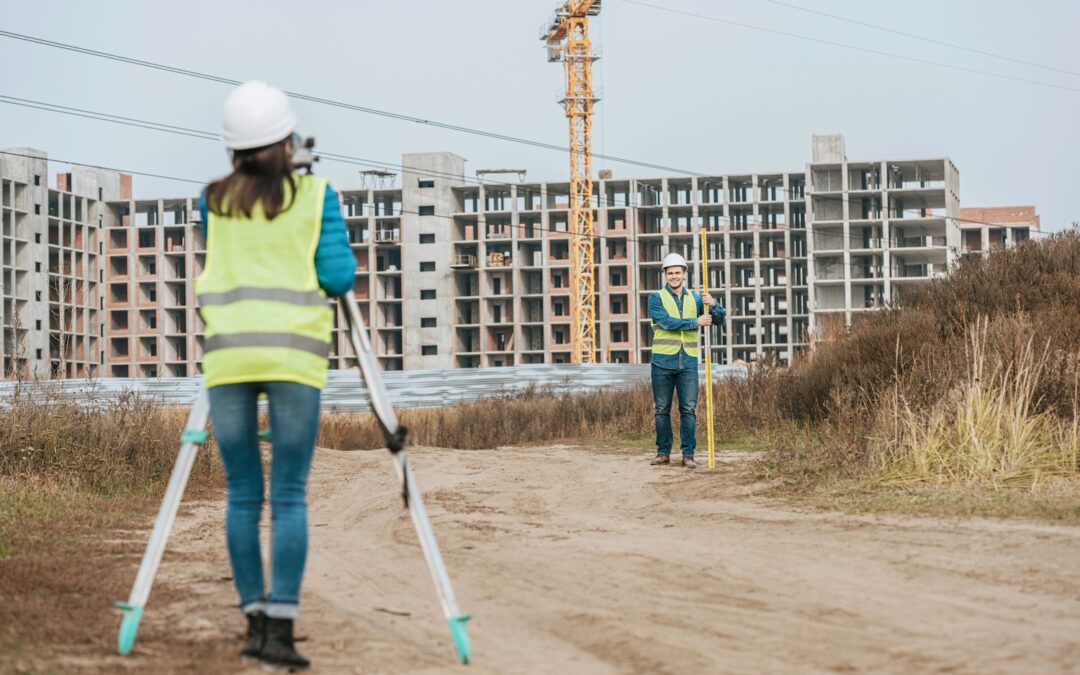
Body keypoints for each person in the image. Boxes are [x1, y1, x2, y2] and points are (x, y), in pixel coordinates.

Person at [195, 80, 355, 670]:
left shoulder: (211, 201)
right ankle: (282, 632)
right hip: (293, 360)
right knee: (288, 494)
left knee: (242, 494)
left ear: (233, 149)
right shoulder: (316, 197)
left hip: (229, 358)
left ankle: (253, 620)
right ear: (287, 141)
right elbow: (338, 279)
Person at [647, 252, 725, 469]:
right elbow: (666, 323)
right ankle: (663, 453)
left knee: (688, 410)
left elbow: (718, 320)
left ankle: (688, 455)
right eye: (670, 273)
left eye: (677, 272)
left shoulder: (696, 299)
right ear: (665, 275)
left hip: (688, 363)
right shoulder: (655, 299)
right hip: (662, 363)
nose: (674, 276)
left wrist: (714, 304)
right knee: (662, 410)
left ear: (684, 274)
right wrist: (695, 321)